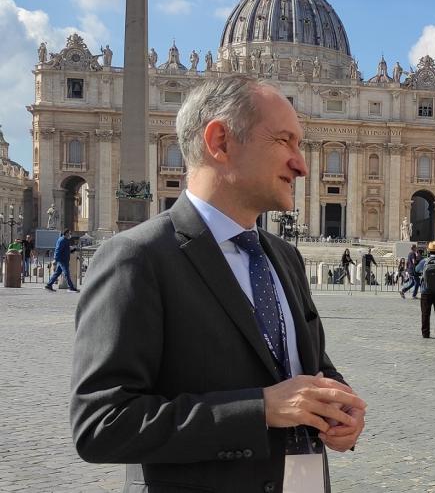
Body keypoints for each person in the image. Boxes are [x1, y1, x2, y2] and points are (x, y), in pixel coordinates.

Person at [69, 75, 366, 492]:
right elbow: (102, 424)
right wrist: (258, 409)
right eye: (285, 141)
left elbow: (306, 365)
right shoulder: (138, 258)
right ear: (220, 142)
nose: (301, 163)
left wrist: (338, 404)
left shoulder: (284, 257)